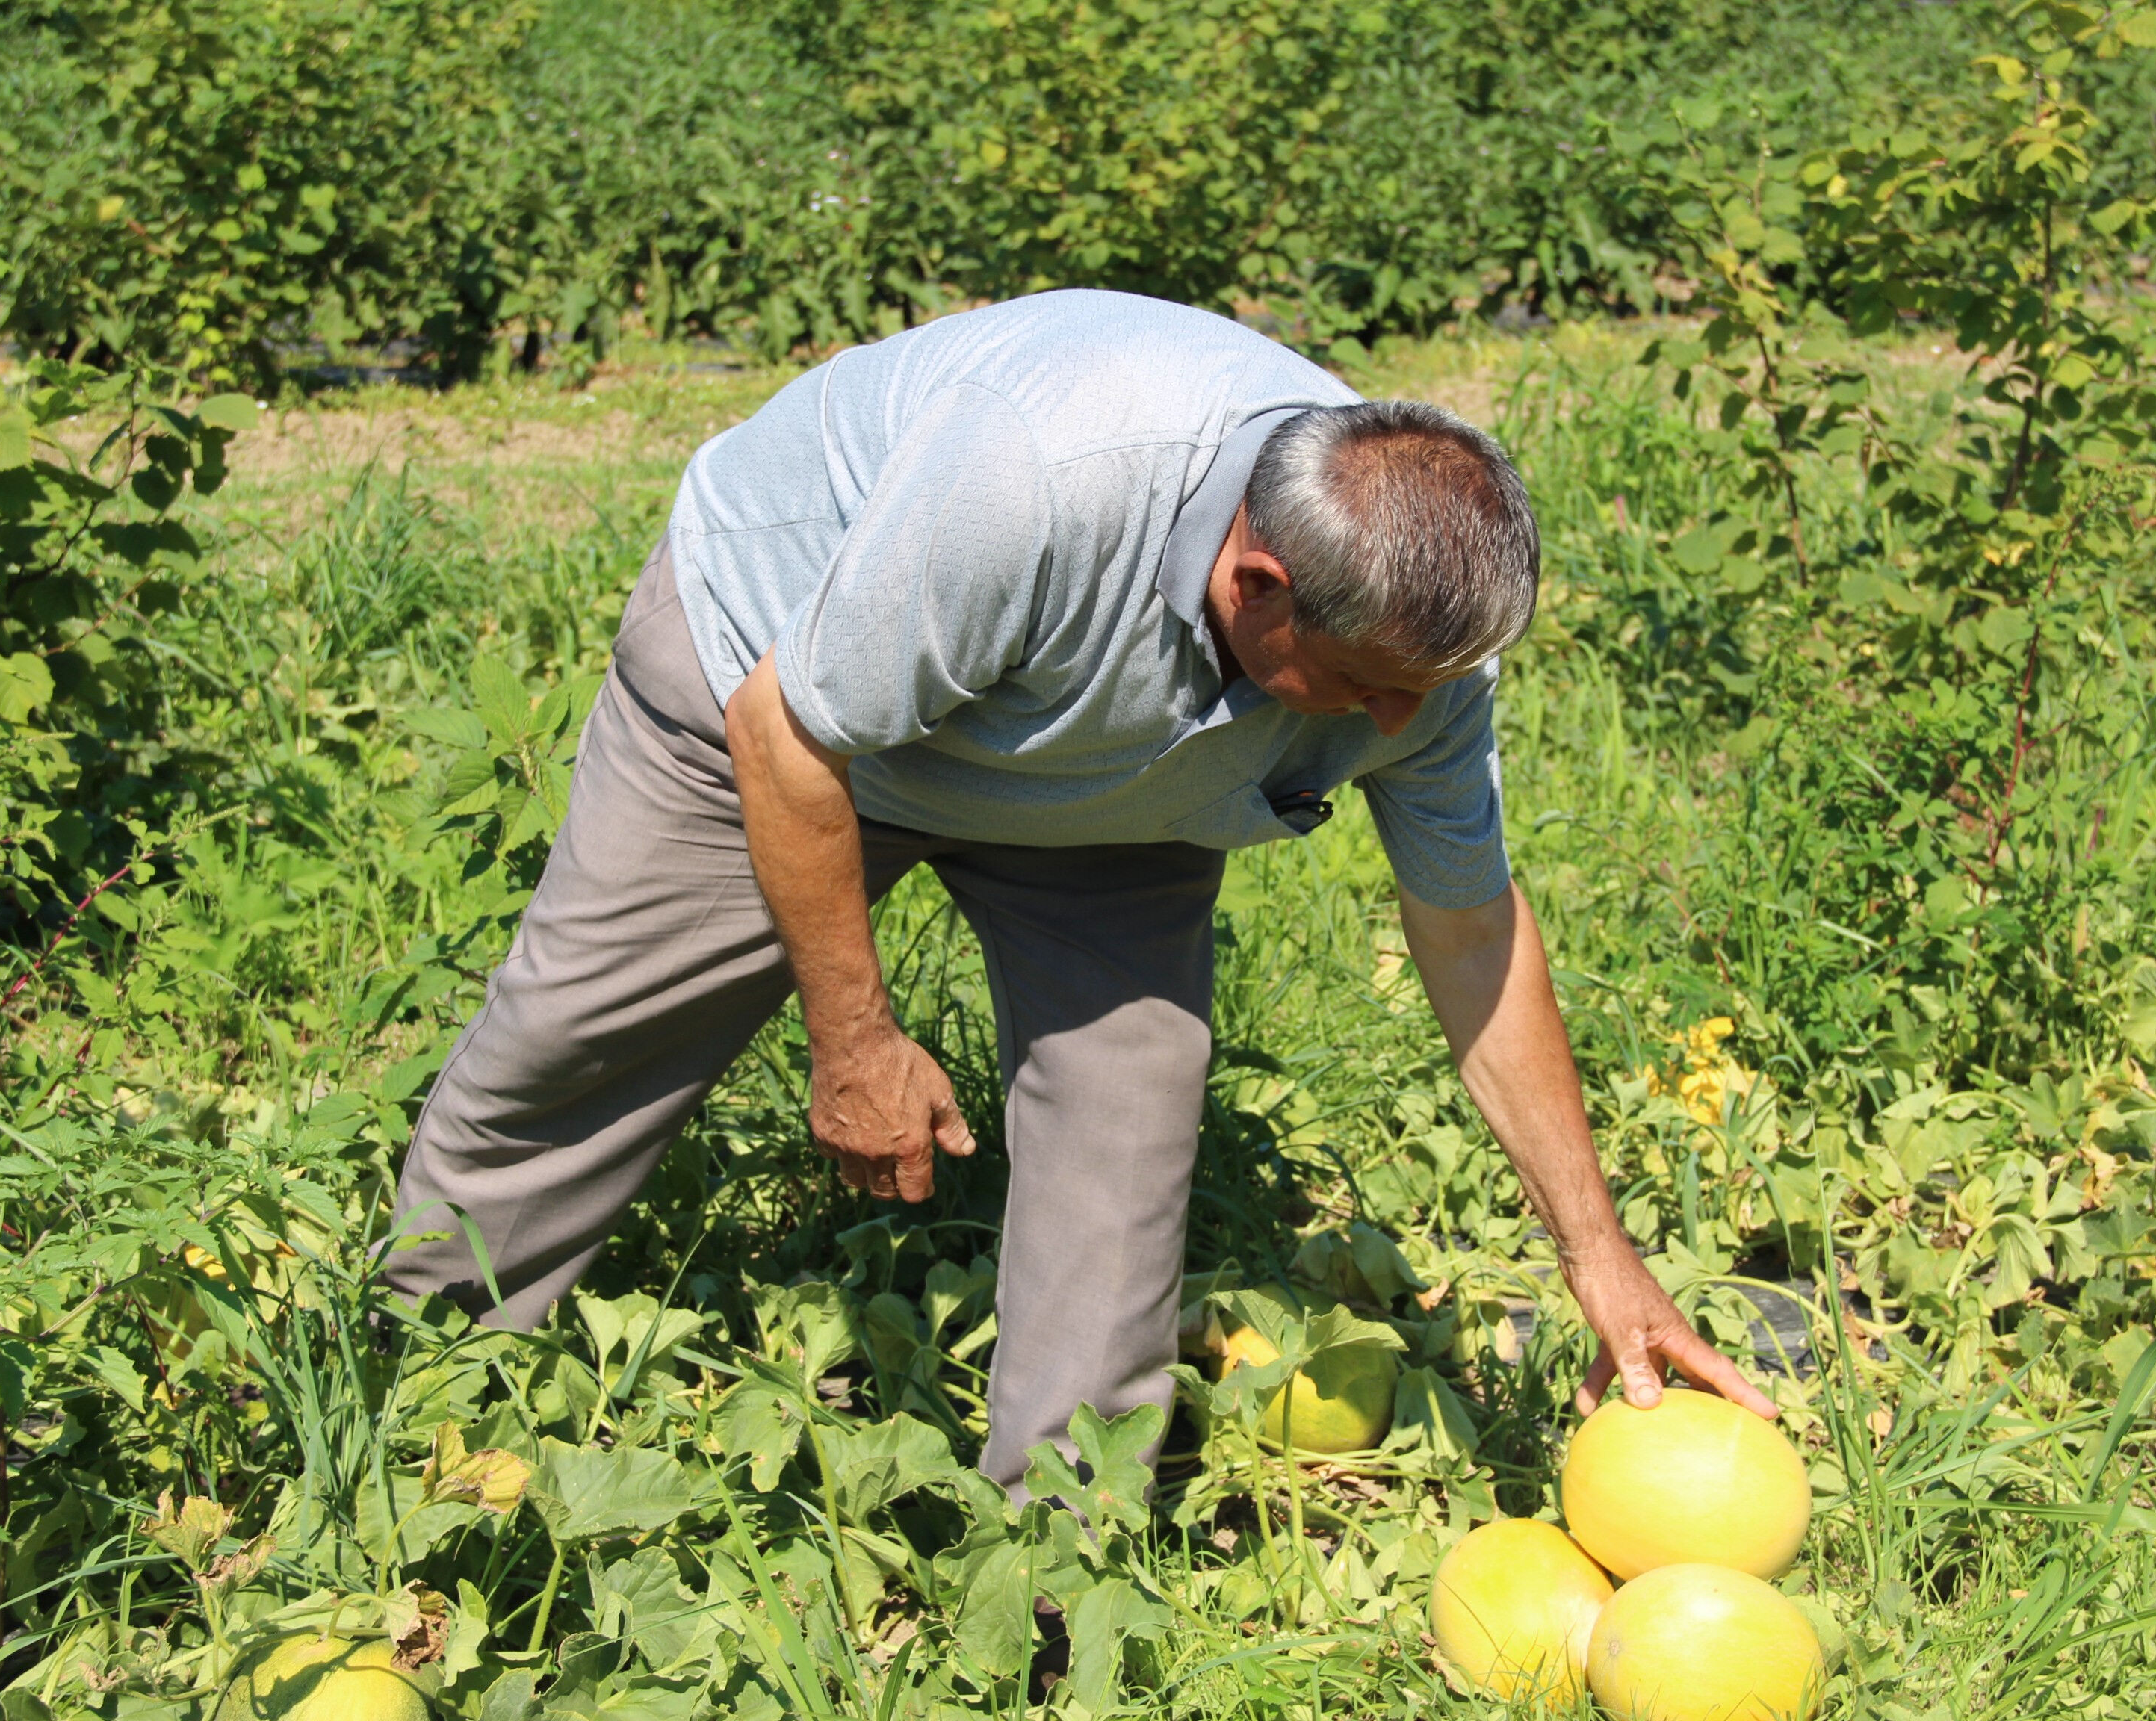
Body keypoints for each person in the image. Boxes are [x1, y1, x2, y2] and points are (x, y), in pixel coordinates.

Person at [385, 288, 1771, 1484]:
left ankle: (1061, 1551)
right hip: (784, 694)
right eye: (1361, 696)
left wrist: (1600, 1257)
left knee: (1128, 1116)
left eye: (1420, 695)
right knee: (583, 1040)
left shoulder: (1410, 648)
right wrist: (856, 1042)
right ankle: (412, 1396)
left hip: (1110, 777)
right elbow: (788, 736)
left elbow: (1472, 931)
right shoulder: (1038, 482)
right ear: (1259, 583)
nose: (1394, 733)